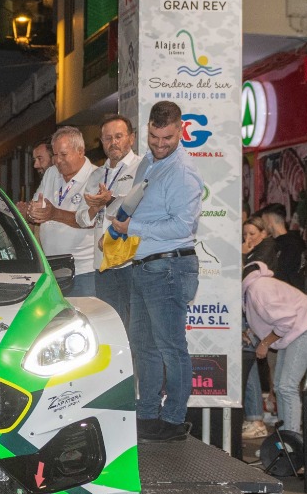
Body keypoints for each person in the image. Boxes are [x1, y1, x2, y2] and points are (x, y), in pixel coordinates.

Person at [110, 101, 202, 443]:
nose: (160, 144)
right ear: (146, 129)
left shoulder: (183, 172)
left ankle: (175, 419)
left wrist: (132, 225)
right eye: (153, 136)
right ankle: (147, 412)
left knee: (170, 347)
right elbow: (139, 203)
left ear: (180, 131)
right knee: (144, 346)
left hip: (170, 266)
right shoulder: (148, 161)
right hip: (145, 264)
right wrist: (118, 214)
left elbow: (182, 225)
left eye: (167, 137)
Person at [243, 261, 307, 435]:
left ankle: (292, 440)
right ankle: (286, 438)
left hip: (303, 329)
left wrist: (265, 343)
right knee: (280, 386)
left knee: (287, 386)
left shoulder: (257, 290)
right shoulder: (255, 287)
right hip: (295, 331)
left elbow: (286, 321)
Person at [76, 114, 142, 327]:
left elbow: (142, 205)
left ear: (131, 138)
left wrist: (110, 200)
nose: (113, 142)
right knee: (110, 325)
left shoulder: (142, 167)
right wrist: (94, 208)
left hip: (130, 260)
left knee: (136, 324)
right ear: (102, 142)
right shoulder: (97, 175)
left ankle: (137, 362)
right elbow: (81, 217)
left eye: (119, 136)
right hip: (102, 262)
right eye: (107, 138)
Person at [20, 126, 97, 297]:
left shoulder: (96, 176)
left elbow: (89, 219)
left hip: (84, 272)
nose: (58, 160)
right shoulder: (51, 174)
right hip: (52, 270)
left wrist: (53, 213)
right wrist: (32, 212)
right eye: (55, 155)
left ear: (80, 151)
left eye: (63, 155)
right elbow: (37, 204)